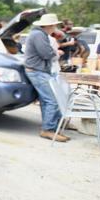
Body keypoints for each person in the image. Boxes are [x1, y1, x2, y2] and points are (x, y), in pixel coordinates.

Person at [23, 13, 70, 142]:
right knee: (52, 100)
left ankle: (51, 128)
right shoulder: (39, 35)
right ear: (50, 25)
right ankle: (48, 130)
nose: (55, 28)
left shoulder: (39, 34)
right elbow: (46, 54)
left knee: (47, 100)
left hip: (37, 70)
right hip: (36, 70)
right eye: (54, 25)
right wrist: (55, 52)